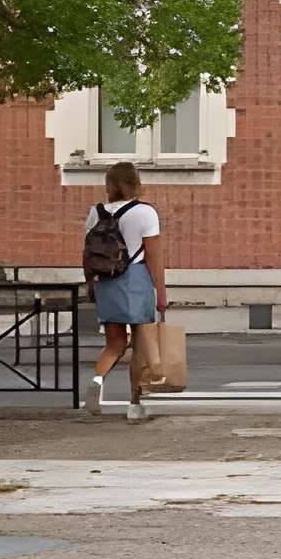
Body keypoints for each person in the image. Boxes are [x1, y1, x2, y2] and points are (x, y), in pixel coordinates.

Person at [82, 160, 165, 418]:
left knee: (114, 344)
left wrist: (90, 283)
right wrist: (161, 293)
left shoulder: (96, 212)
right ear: (135, 183)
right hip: (136, 279)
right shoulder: (145, 213)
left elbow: (87, 253)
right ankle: (134, 405)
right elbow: (154, 256)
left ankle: (96, 384)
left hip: (107, 281)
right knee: (140, 347)